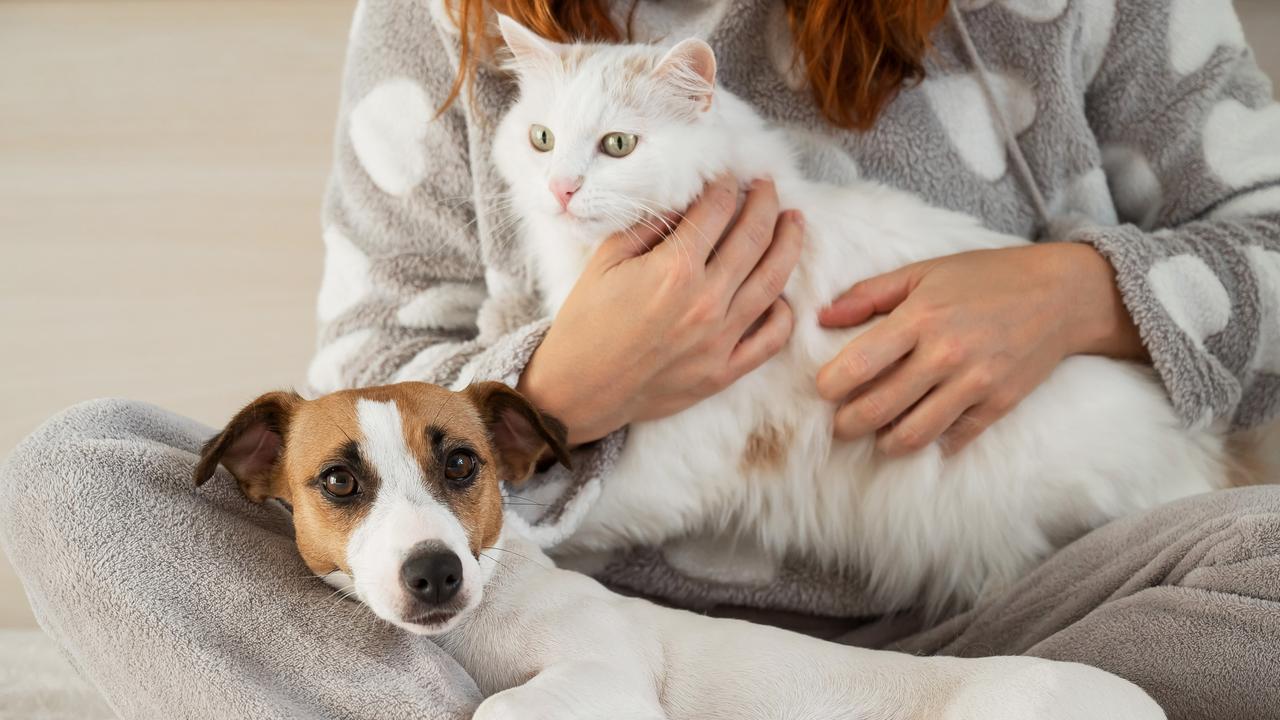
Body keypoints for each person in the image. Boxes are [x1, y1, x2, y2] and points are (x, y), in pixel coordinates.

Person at [2, 1, 1278, 718]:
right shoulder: (438, 22)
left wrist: (1078, 294)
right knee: (84, 477)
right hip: (555, 627)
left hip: (1009, 617)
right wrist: (565, 390)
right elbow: (360, 407)